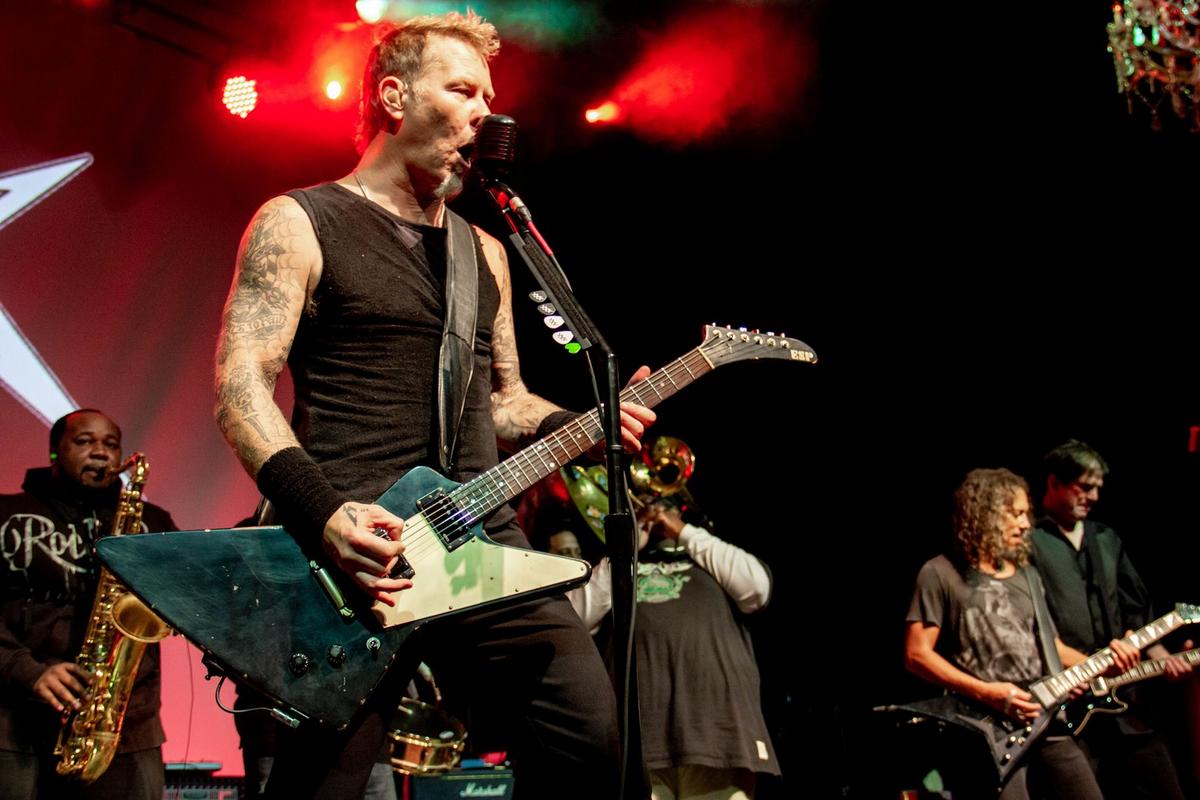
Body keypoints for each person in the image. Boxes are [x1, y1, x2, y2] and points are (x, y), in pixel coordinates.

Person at [212, 11, 654, 799]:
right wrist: (325, 515)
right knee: (323, 787)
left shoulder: (484, 251)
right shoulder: (300, 221)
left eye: (488, 95)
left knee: (593, 745)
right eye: (462, 90)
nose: (485, 111)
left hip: (478, 537)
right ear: (394, 96)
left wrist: (575, 427)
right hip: (354, 555)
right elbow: (239, 385)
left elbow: (504, 403)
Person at [903, 467, 1138, 799]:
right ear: (983, 513)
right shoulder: (939, 573)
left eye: (1026, 513)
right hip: (985, 731)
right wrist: (988, 693)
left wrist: (1102, 664)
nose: (1026, 523)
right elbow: (916, 655)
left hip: (1046, 720)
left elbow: (1053, 649)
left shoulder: (1027, 575)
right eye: (1014, 514)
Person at [546, 488, 779, 800]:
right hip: (637, 744)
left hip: (720, 736)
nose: (654, 514)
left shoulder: (708, 560)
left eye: (662, 507)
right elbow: (576, 619)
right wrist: (626, 549)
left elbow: (757, 589)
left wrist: (682, 531)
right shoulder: (617, 568)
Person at [0, 409, 176, 800]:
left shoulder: (153, 522)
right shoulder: (6, 514)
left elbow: (189, 599)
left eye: (111, 444)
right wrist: (26, 670)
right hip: (15, 727)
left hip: (126, 727)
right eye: (84, 441)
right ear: (54, 452)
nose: (100, 452)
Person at [1030, 440, 1192, 798]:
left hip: (1125, 700)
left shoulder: (1106, 538)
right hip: (1068, 705)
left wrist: (1162, 658)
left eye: (1098, 488)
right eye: (1084, 487)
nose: (1094, 497)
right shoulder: (1029, 543)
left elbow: (1137, 611)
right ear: (1054, 482)